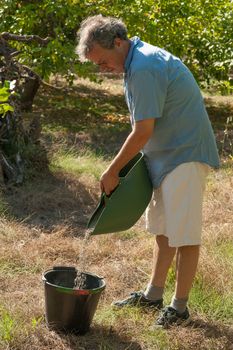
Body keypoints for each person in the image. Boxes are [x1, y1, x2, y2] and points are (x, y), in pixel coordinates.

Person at [76, 15, 220, 328]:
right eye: (97, 65)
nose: (103, 70)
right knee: (164, 230)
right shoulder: (135, 62)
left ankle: (179, 309)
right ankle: (153, 294)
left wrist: (113, 171)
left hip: (184, 153)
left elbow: (142, 131)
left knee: (184, 234)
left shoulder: (144, 67)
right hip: (165, 155)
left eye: (102, 61)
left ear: (118, 42)